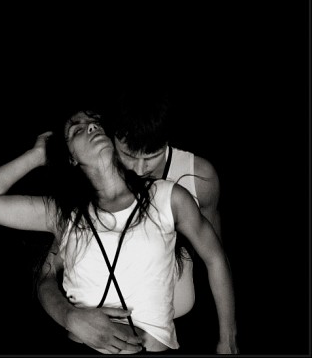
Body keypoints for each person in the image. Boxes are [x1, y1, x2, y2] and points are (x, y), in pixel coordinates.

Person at [0, 106, 238, 354]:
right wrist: (35, 156)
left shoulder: (169, 196)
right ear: (70, 157)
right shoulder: (63, 212)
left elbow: (215, 258)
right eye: (77, 130)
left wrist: (227, 340)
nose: (90, 127)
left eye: (96, 122)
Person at [36, 93, 223, 352]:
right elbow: (46, 274)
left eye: (152, 157)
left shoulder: (198, 177)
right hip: (101, 336)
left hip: (177, 328)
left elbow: (214, 256)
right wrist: (68, 315)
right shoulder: (94, 187)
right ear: (113, 138)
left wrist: (226, 334)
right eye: (128, 155)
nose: (139, 168)